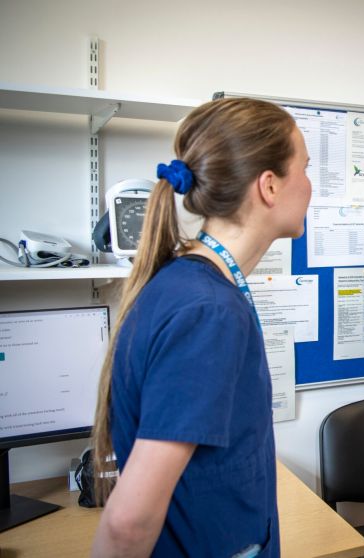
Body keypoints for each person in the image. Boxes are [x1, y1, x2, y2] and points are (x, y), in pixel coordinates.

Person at [90, 97, 311, 557]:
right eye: (305, 170)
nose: (310, 187)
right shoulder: (208, 312)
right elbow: (129, 522)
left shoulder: (187, 283)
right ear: (269, 186)